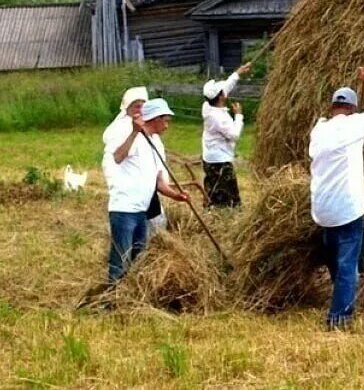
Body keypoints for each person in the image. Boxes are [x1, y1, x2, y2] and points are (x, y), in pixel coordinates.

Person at [308, 66, 364, 329]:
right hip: (347, 208)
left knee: (336, 260)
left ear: (333, 106)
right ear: (353, 109)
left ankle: (342, 298)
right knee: (348, 265)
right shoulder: (353, 126)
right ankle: (339, 318)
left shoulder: (319, 130)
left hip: (322, 209)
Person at [105, 98, 189, 282]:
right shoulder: (133, 137)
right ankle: (109, 299)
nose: (167, 126)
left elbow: (158, 181)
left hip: (141, 211)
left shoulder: (156, 144)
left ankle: (129, 293)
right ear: (155, 119)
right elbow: (118, 157)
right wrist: (134, 132)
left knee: (138, 257)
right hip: (124, 209)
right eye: (165, 120)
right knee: (120, 257)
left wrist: (177, 196)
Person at [102, 86, 168, 235]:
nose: (140, 109)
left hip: (147, 189)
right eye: (136, 106)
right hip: (129, 193)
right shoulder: (120, 129)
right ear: (127, 108)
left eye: (143, 105)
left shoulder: (151, 132)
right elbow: (116, 159)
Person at [201, 62, 252, 208]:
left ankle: (211, 208)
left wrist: (239, 72)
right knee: (228, 192)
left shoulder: (207, 106)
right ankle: (225, 212)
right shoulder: (219, 118)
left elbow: (226, 87)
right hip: (220, 160)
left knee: (213, 187)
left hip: (210, 156)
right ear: (221, 97)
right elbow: (234, 135)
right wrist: (239, 116)